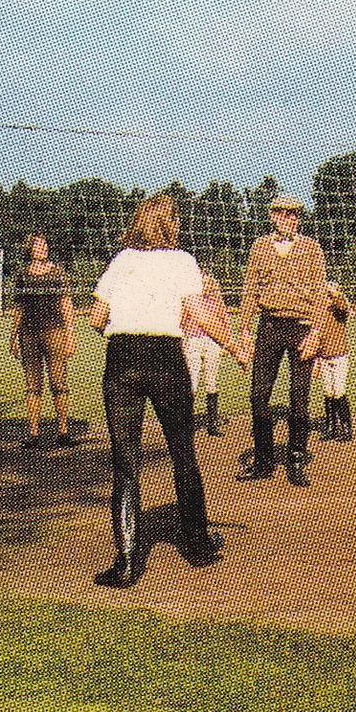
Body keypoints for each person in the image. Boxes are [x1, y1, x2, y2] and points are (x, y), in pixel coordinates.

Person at [87, 195, 249, 588]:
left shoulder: (121, 260)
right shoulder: (182, 261)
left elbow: (96, 317)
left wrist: (118, 330)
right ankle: (197, 546)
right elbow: (200, 312)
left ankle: (126, 563)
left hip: (121, 358)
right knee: (183, 453)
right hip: (165, 358)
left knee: (126, 465)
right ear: (170, 223)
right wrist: (234, 345)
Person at [238, 195, 329, 487]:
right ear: (273, 216)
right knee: (258, 396)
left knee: (299, 400)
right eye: (284, 214)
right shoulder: (259, 246)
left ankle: (297, 458)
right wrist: (244, 331)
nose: (290, 219)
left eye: (295, 215)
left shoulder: (312, 248)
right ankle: (264, 461)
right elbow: (250, 290)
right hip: (269, 327)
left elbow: (319, 294)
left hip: (302, 327)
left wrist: (316, 333)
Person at [9, 234, 77, 449]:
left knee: (58, 383)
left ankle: (63, 431)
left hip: (55, 332)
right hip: (28, 335)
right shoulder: (22, 275)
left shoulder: (58, 273)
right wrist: (13, 337)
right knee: (32, 386)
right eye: (39, 245)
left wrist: (70, 334)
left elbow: (66, 304)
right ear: (29, 249)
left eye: (45, 244)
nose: (43, 248)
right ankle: (33, 433)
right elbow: (18, 308)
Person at [183, 269, 231, 437]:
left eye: (209, 282)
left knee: (211, 382)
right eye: (204, 282)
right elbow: (182, 321)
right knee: (192, 382)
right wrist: (182, 341)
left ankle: (212, 424)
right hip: (193, 340)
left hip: (212, 342)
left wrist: (226, 343)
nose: (207, 285)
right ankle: (186, 424)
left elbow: (224, 320)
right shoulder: (190, 300)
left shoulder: (216, 300)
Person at [315, 282, 353, 442]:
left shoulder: (339, 309)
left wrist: (335, 294)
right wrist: (316, 358)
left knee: (339, 392)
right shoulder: (320, 311)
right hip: (323, 356)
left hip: (338, 356)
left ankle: (346, 427)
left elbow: (344, 306)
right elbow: (316, 336)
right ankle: (331, 426)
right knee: (328, 393)